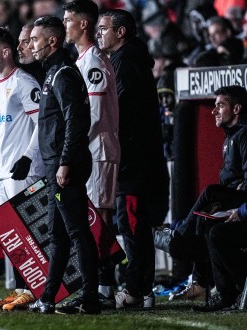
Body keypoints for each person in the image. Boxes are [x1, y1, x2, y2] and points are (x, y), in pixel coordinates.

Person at [27, 16, 100, 315]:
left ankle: (90, 299)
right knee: (57, 235)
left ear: (52, 41)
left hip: (63, 166)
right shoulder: (54, 72)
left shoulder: (63, 74)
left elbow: (76, 121)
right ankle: (47, 297)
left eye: (35, 39)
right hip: (55, 165)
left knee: (77, 232)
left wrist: (65, 162)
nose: (31, 45)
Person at [97, 9, 169, 309]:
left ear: (121, 32)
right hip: (135, 160)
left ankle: (136, 290)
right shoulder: (128, 59)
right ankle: (143, 289)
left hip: (133, 163)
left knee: (133, 228)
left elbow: (119, 110)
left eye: (104, 28)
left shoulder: (124, 62)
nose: (99, 34)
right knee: (132, 228)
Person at [154, 86, 247, 305]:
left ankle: (178, 237)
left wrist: (240, 209)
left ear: (236, 109)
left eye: (220, 105)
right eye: (214, 105)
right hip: (232, 202)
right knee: (205, 223)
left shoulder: (244, 136)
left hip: (241, 204)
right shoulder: (229, 139)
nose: (214, 111)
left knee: (209, 194)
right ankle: (214, 289)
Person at [0, 27, 44, 311]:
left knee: (28, 232)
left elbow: (43, 123)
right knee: (13, 234)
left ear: (6, 52)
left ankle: (34, 290)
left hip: (24, 171)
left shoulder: (24, 83)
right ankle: (21, 289)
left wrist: (28, 157)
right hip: (3, 171)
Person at [62, 0, 121, 309]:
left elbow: (94, 114)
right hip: (89, 150)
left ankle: (104, 288)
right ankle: (97, 286)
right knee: (93, 219)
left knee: (100, 219)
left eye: (69, 20)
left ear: (83, 24)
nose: (65, 26)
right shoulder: (83, 61)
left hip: (96, 150)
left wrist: (70, 151)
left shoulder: (93, 62)